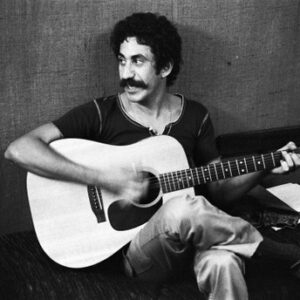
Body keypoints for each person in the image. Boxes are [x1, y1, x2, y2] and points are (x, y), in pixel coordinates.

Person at [5, 12, 300, 300]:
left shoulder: (195, 116)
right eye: (122, 61)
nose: (125, 74)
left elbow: (218, 190)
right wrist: (103, 178)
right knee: (182, 209)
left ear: (165, 67)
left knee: (222, 263)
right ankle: (272, 252)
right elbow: (19, 149)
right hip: (144, 254)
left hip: (198, 241)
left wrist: (267, 164)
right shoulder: (101, 113)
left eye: (138, 61)